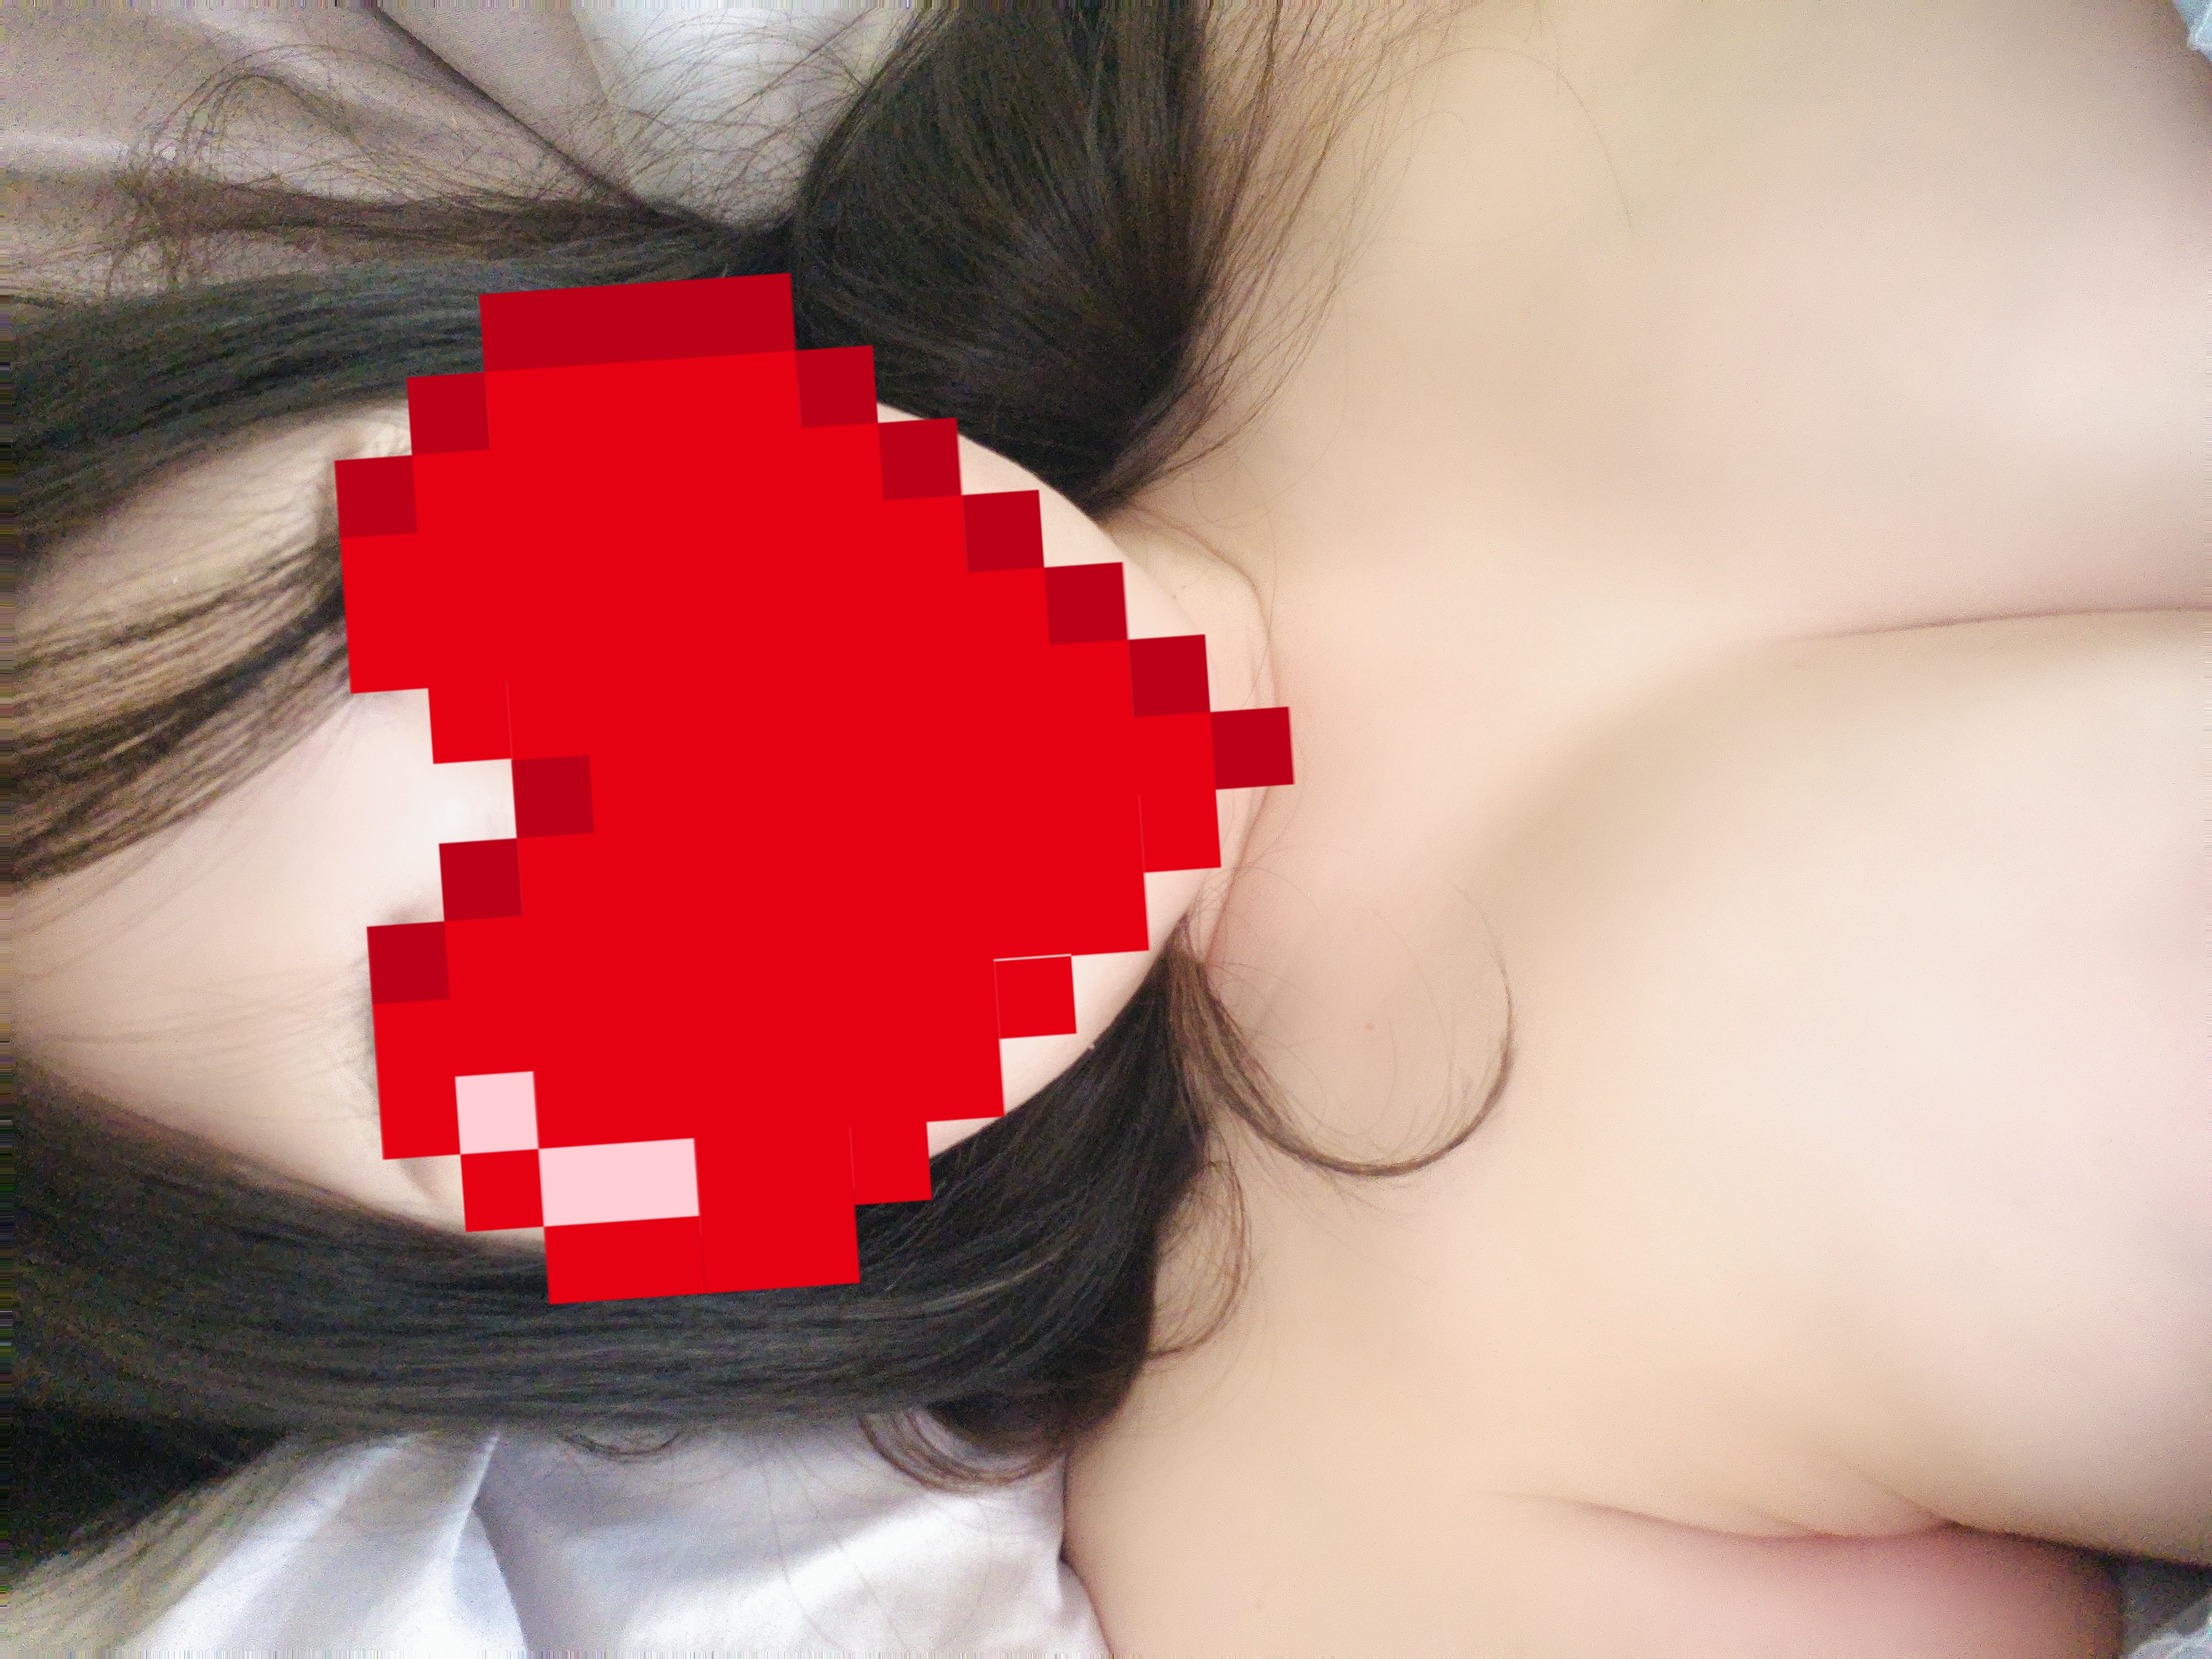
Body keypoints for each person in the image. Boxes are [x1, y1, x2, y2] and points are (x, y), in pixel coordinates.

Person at [13, 4, 2209, 1653]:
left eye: (453, 620)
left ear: (578, 372)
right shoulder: (1352, 1497)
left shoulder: (1298, 74)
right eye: (533, 982)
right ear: (620, 1285)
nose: (730, 772)